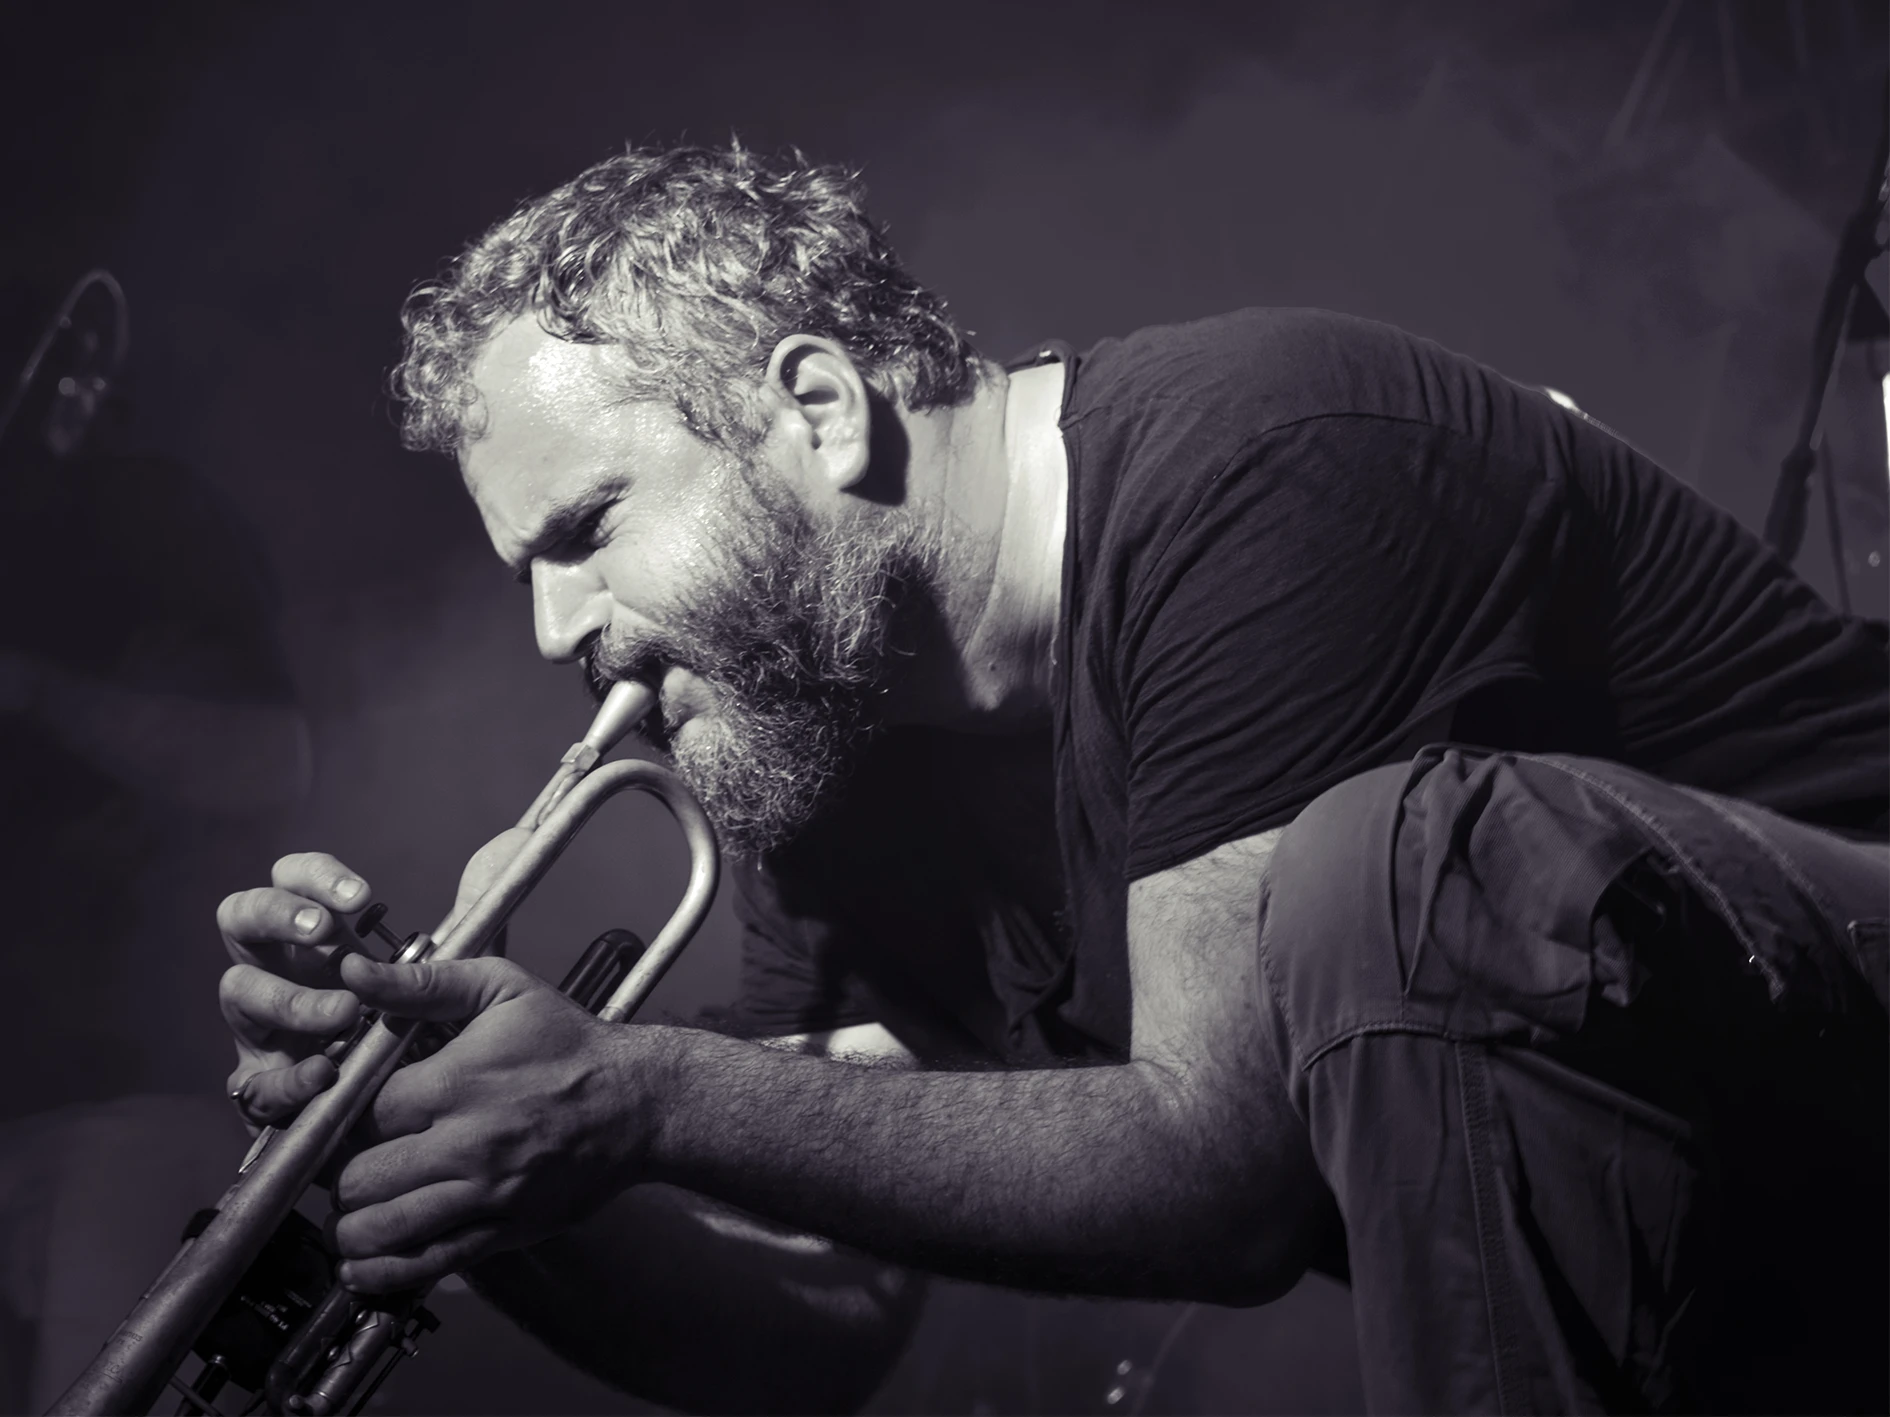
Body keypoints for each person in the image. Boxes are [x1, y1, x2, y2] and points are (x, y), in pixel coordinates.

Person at [217, 144, 1888, 1414]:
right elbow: (816, 1332)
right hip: (1744, 1283)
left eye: (587, 529)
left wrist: (641, 1096)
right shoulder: (825, 726)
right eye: (523, 571)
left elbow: (1226, 1177)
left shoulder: (1263, 460)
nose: (553, 628)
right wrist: (474, 1157)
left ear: (817, 407)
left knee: (1388, 863)